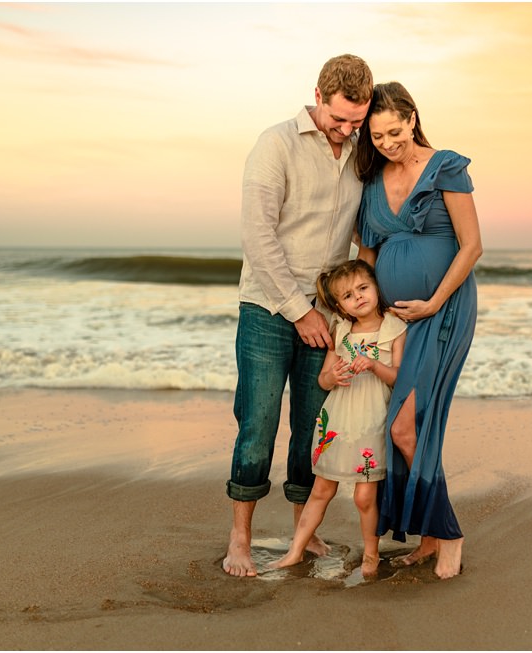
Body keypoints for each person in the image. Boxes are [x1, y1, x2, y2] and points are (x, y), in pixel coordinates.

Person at [223, 54, 374, 578]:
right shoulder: (275, 144)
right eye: (340, 118)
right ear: (318, 94)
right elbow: (258, 237)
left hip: (327, 316)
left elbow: (360, 233)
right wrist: (298, 310)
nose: (348, 129)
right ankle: (239, 538)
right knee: (258, 423)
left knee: (312, 428)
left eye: (357, 121)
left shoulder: (359, 154)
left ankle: (301, 534)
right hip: (268, 307)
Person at [354, 81, 483, 580]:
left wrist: (433, 302)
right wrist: (360, 316)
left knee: (406, 426)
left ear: (411, 117)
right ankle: (430, 538)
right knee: (412, 425)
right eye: (377, 136)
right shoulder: (372, 181)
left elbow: (471, 247)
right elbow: (367, 255)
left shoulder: (446, 165)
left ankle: (448, 534)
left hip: (444, 311)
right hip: (395, 322)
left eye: (394, 131)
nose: (387, 143)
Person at [269, 259, 406, 578]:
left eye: (363, 288)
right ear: (338, 304)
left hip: (371, 420)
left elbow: (399, 378)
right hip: (337, 418)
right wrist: (334, 375)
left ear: (375, 287)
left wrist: (373, 365)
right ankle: (295, 550)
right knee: (321, 490)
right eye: (347, 295)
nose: (358, 297)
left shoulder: (393, 328)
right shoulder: (341, 329)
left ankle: (371, 554)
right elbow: (323, 379)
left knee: (363, 495)